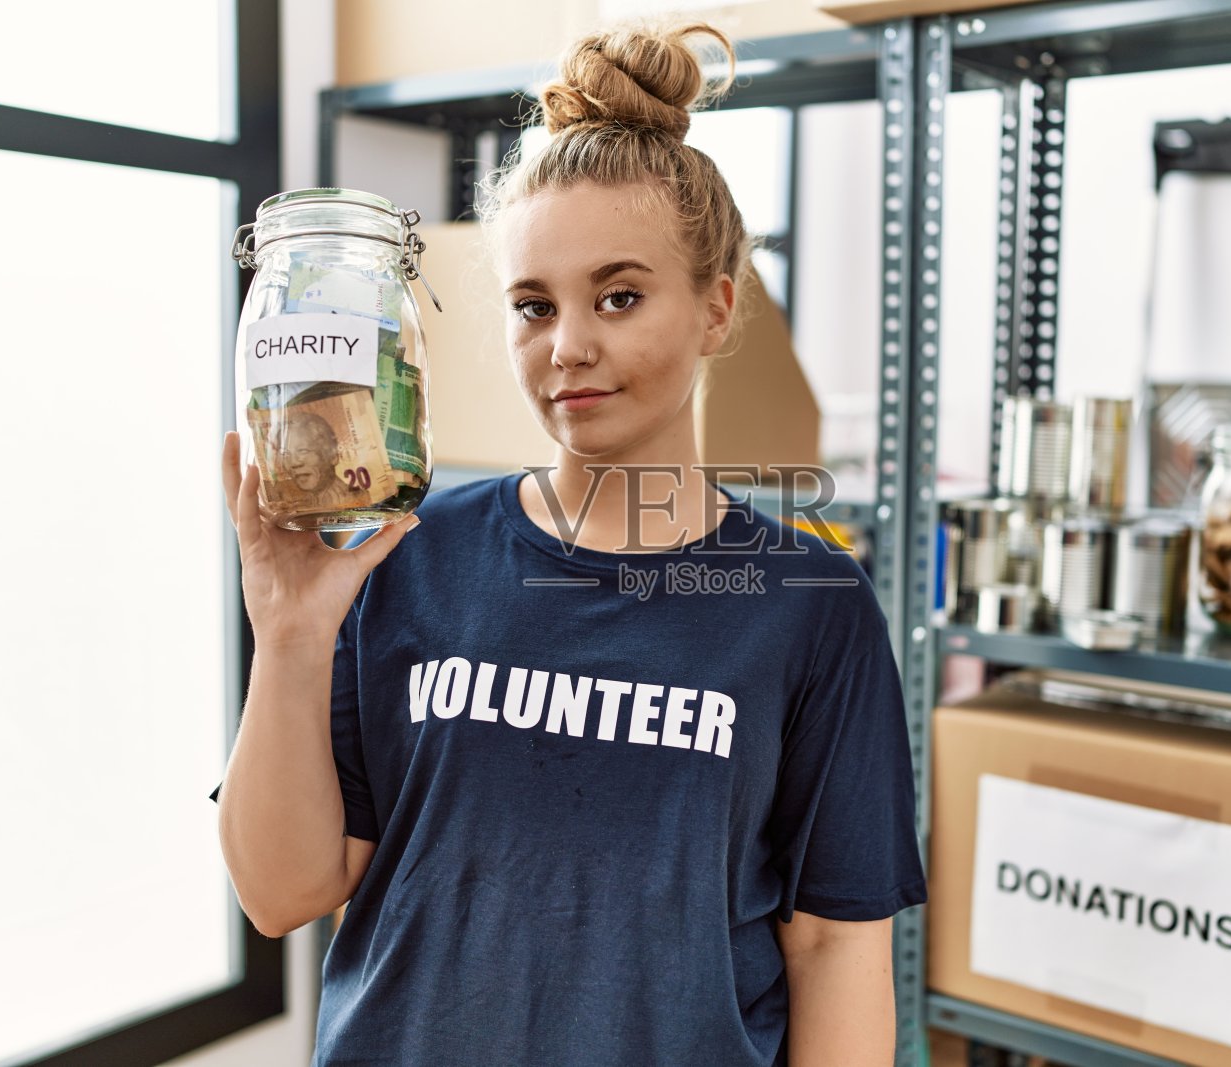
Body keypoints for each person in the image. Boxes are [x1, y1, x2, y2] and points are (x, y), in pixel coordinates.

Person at [212, 19, 925, 1066]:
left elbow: (833, 945)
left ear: (716, 308)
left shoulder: (810, 603)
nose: (570, 346)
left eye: (619, 296)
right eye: (533, 306)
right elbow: (281, 893)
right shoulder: (402, 555)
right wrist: (286, 633)